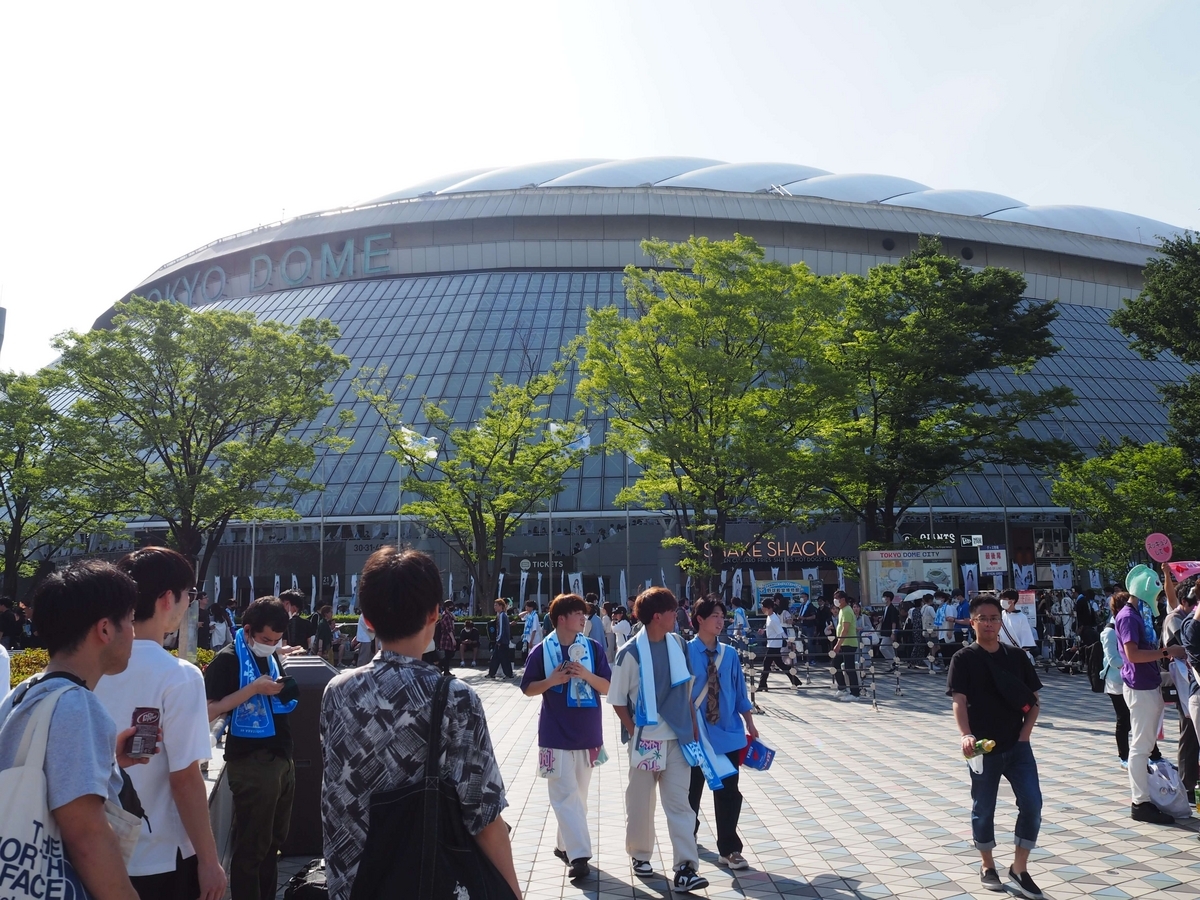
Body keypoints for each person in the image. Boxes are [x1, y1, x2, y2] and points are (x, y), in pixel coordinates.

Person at [321, 547, 521, 900]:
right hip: (426, 878)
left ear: (366, 619)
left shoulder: (338, 691)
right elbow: (484, 815)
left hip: (353, 881)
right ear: (434, 614)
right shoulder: (454, 697)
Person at [0, 560, 145, 900]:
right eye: (131, 620)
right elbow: (87, 837)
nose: (134, 632)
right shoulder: (78, 705)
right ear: (105, 630)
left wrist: (108, 762)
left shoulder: (26, 691)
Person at [95, 547, 226, 900]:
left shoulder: (87, 665)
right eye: (190, 595)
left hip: (91, 850)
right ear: (169, 598)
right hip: (158, 854)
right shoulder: (178, 676)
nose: (189, 604)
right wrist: (210, 861)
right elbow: (185, 778)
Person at [608, 587, 708, 893]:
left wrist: (692, 731)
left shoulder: (678, 643)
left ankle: (685, 868)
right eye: (672, 611)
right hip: (646, 740)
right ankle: (640, 855)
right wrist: (634, 730)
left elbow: (688, 694)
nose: (676, 616)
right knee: (641, 802)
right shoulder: (631, 653)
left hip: (677, 739)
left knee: (680, 804)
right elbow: (617, 699)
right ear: (657, 616)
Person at [947, 594, 1044, 899]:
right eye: (983, 619)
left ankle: (1019, 867)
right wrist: (966, 734)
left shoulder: (1015, 657)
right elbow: (958, 701)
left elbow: (1034, 701)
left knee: (1032, 805)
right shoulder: (963, 658)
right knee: (983, 807)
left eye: (994, 618)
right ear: (972, 622)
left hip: (1018, 746)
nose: (989, 624)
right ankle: (987, 864)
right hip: (982, 748)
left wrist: (1025, 735)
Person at [204, 597, 298, 900]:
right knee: (252, 847)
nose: (271, 645)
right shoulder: (228, 659)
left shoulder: (270, 655)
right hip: (252, 762)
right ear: (247, 630)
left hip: (281, 757)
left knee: (273, 844)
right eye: (265, 639)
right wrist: (253, 689)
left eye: (277, 640)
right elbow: (208, 711)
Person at [520, 593, 611, 881]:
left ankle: (564, 845)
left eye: (584, 614)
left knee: (578, 799)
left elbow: (608, 687)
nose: (584, 618)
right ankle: (580, 856)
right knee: (564, 797)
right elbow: (527, 688)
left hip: (588, 733)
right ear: (561, 618)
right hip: (554, 733)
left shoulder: (593, 649)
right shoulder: (542, 650)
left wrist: (585, 674)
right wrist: (551, 681)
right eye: (578, 614)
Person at [687, 596, 757, 870]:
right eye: (714, 615)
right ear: (700, 619)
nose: (720, 620)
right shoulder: (684, 652)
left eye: (722, 616)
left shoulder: (729, 654)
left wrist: (749, 722)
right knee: (691, 791)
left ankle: (729, 849)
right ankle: (687, 835)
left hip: (727, 732)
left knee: (729, 791)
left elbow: (739, 691)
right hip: (695, 734)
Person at [1114, 565, 1186, 824]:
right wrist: (1167, 653)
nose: (1157, 600)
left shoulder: (1136, 614)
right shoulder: (1129, 617)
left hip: (1146, 684)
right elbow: (1133, 655)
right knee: (1141, 747)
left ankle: (1143, 799)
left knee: (1143, 746)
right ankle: (1140, 802)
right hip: (1140, 686)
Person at [1099, 608, 1161, 768]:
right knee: (1124, 720)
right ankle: (1124, 756)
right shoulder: (1109, 632)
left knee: (1141, 720)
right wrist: (1132, 664)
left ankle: (1154, 755)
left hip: (1131, 680)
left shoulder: (1127, 628)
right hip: (1116, 682)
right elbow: (1113, 659)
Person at [1162, 573, 1199, 807]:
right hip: (1184, 683)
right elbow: (1184, 648)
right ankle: (1186, 786)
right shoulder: (1178, 619)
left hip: (1191, 682)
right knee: (1188, 735)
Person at [757, 596, 799, 692]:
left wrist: (788, 641)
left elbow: (780, 632)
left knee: (766, 664)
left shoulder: (773, 619)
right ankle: (795, 680)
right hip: (772, 643)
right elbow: (773, 629)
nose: (762, 609)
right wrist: (764, 630)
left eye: (763, 607)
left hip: (774, 645)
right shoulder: (770, 617)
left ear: (769, 608)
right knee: (780, 664)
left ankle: (762, 684)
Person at [830, 591, 862, 700]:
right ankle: (842, 688)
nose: (835, 601)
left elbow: (845, 629)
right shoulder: (842, 610)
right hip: (844, 643)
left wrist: (838, 644)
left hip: (848, 643)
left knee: (849, 668)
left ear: (843, 599)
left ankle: (855, 693)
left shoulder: (847, 610)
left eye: (837, 598)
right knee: (835, 663)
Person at [487, 598, 515, 679]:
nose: (494, 607)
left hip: (502, 641)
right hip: (502, 641)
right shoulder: (501, 615)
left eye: (496, 605)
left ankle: (508, 674)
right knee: (496, 658)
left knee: (504, 658)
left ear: (501, 606)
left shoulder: (502, 615)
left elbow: (502, 629)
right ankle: (492, 673)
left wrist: (499, 640)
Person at [878, 592, 899, 670]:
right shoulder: (886, 607)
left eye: (885, 597)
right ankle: (894, 664)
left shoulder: (892, 609)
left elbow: (894, 621)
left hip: (889, 632)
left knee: (882, 648)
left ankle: (892, 663)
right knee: (890, 648)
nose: (883, 598)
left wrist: (893, 632)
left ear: (888, 598)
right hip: (885, 630)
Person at [435, 602, 457, 674]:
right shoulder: (446, 616)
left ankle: (444, 668)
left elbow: (455, 619)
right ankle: (442, 667)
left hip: (448, 637)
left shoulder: (448, 615)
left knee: (449, 654)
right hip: (447, 637)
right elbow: (449, 629)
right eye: (451, 606)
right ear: (447, 607)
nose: (452, 607)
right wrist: (453, 639)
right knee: (449, 654)